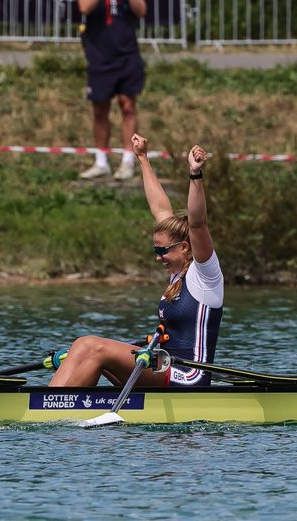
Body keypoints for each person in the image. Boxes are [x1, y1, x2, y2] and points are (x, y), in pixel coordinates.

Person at [50, 135, 224, 387]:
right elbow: (160, 209)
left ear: (185, 247)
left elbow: (197, 224)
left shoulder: (205, 275)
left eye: (162, 250)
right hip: (162, 366)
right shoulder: (176, 273)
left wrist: (195, 175)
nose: (157, 256)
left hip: (189, 377)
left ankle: (50, 409)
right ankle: (50, 403)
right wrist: (142, 158)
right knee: (82, 347)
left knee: (92, 346)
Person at [76, 0, 148, 181]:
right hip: (99, 56)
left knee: (128, 105)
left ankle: (128, 160)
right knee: (100, 109)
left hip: (127, 55)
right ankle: (101, 160)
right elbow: (84, 7)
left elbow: (141, 11)